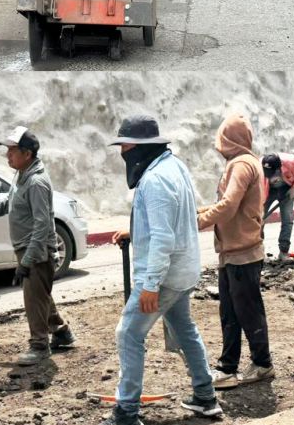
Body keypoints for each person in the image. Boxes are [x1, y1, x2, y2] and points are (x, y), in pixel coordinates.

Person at [108, 115, 221, 425]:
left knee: (129, 333)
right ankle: (205, 396)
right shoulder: (174, 166)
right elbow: (170, 219)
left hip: (165, 277)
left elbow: (162, 237)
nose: (122, 152)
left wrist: (150, 285)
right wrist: (135, 230)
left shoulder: (154, 180)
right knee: (184, 328)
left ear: (141, 147)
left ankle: (126, 413)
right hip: (184, 272)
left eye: (125, 145)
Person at [0, 126, 76, 365]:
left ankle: (39, 346)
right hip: (28, 248)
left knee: (33, 299)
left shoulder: (37, 182)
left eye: (12, 151)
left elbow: (42, 226)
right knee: (39, 295)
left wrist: (27, 261)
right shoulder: (22, 174)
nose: (8, 155)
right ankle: (61, 332)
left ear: (27, 153)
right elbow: (12, 200)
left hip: (37, 251)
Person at [197, 113, 274, 390]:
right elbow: (228, 205)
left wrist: (198, 221)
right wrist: (200, 211)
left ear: (229, 140)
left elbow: (229, 206)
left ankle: (262, 364)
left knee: (248, 311)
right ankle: (227, 367)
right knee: (230, 312)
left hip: (243, 253)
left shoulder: (241, 164)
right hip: (233, 252)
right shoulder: (243, 162)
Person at [261, 152, 294, 260]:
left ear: (279, 168)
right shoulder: (258, 166)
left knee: (287, 219)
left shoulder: (291, 162)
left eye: (272, 173)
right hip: (267, 190)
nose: (271, 176)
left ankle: (284, 251)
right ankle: (258, 251)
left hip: (286, 188)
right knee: (258, 219)